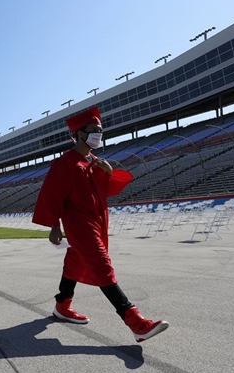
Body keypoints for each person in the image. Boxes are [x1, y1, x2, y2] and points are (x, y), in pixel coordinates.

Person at [32, 107, 168, 343]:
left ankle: (62, 306)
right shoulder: (64, 163)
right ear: (78, 134)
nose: (98, 135)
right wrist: (54, 225)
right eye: (93, 131)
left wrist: (109, 172)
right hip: (78, 222)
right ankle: (135, 322)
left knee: (74, 263)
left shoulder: (94, 162)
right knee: (102, 265)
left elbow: (105, 192)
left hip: (97, 220)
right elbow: (51, 195)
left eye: (100, 131)